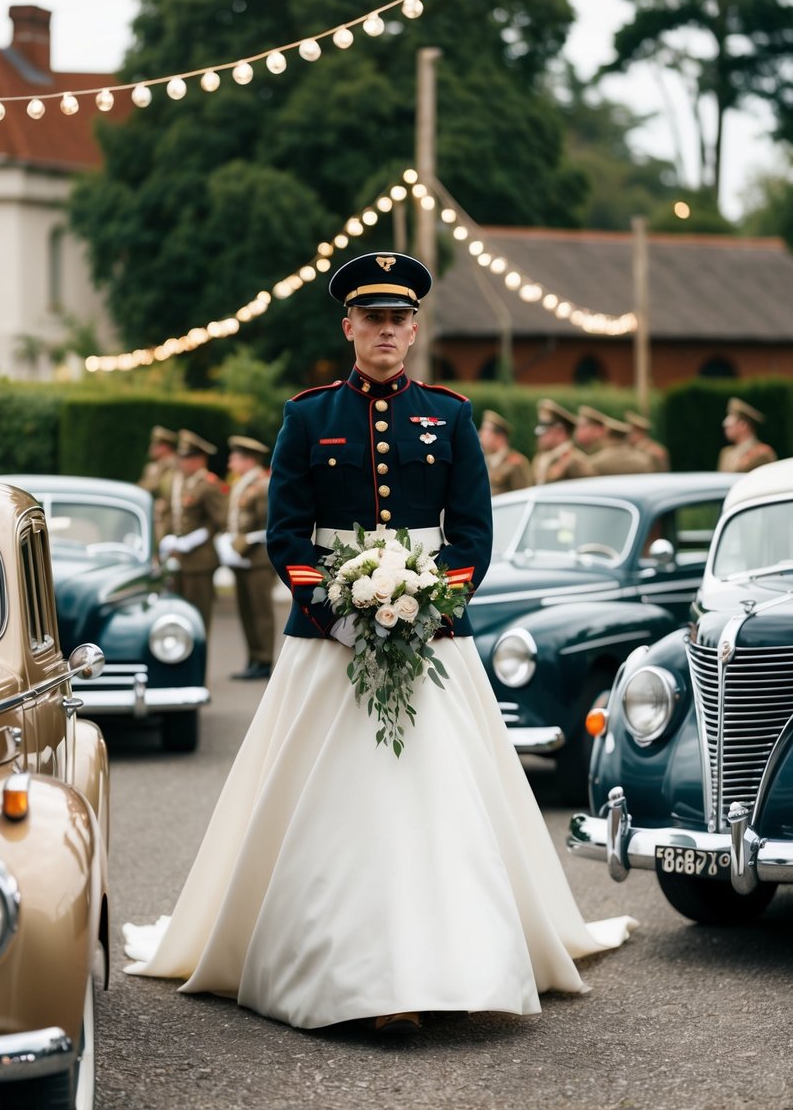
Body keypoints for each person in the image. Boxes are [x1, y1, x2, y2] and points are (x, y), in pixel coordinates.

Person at [124, 251, 635, 1035]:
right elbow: (286, 533)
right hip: (327, 643)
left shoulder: (452, 415)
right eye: (372, 318)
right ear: (349, 327)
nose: (386, 331)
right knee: (329, 809)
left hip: (433, 638)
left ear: (414, 329)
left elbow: (470, 532)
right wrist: (339, 613)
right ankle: (355, 976)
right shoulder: (307, 416)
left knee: (445, 808)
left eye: (398, 319)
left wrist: (429, 606)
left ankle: (455, 966)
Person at [217, 435, 275, 681]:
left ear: (248, 460)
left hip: (258, 558)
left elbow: (269, 524)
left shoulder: (262, 485)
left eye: (234, 458)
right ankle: (254, 658)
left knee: (260, 612)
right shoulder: (244, 483)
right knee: (246, 611)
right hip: (243, 558)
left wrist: (241, 543)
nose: (230, 463)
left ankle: (264, 660)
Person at [159, 430, 227, 634]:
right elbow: (173, 515)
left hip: (199, 560)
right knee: (178, 615)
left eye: (188, 458)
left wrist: (197, 537)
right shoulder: (179, 482)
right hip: (178, 559)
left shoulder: (208, 484)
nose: (182, 463)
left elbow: (220, 520)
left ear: (200, 460)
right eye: (181, 457)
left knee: (198, 617)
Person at [532, 399, 596, 483]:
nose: (541, 437)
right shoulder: (540, 458)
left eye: (546, 431)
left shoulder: (576, 461)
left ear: (560, 431)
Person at [575, 406, 651, 476]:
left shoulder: (597, 461)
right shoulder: (643, 460)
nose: (577, 432)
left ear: (601, 430)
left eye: (583, 427)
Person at [138, 425, 178, 545]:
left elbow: (164, 489)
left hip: (165, 518)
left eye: (156, 445)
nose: (151, 448)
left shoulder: (173, 466)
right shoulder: (154, 467)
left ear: (165, 447)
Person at [478, 409, 533, 494]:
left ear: (500, 436)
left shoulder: (516, 462)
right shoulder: (485, 460)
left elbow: (522, 497)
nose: (480, 434)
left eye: (485, 431)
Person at [717, 397, 777, 472]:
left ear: (743, 425)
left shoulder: (762, 453)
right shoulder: (726, 453)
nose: (726, 428)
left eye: (731, 424)